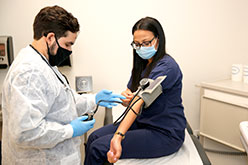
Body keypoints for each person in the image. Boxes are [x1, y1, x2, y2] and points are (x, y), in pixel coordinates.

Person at [1, 5, 125, 165]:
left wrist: (94, 99)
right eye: (67, 44)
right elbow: (25, 132)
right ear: (50, 37)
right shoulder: (29, 72)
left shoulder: (45, 64)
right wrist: (70, 130)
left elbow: (64, 102)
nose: (69, 50)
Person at [84, 17, 186, 165]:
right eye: (137, 44)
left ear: (158, 39)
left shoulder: (167, 68)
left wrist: (119, 136)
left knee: (98, 148)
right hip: (143, 123)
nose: (142, 48)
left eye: (146, 43)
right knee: (93, 137)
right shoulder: (143, 64)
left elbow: (140, 100)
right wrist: (126, 98)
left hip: (165, 133)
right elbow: (131, 96)